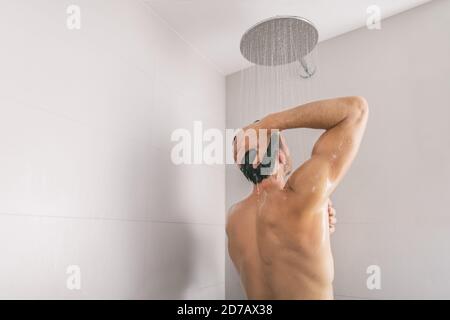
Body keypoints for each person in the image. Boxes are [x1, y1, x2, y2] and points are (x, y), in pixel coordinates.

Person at [227, 96, 369, 299]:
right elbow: (356, 110)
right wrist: (269, 123)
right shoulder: (302, 197)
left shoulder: (233, 218)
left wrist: (317, 216)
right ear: (281, 156)